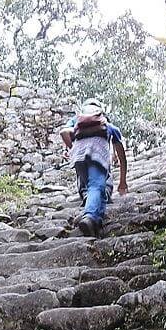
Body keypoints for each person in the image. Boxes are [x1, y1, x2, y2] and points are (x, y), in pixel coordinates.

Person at [59, 100, 128, 236]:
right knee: (96, 187)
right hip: (98, 157)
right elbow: (122, 156)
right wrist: (122, 181)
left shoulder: (76, 121)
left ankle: (96, 222)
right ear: (100, 113)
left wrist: (72, 149)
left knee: (95, 188)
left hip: (78, 158)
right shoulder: (108, 126)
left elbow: (63, 132)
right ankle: (90, 216)